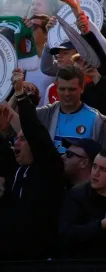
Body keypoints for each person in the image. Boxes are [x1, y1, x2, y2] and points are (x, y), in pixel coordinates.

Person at [0, 72, 67, 260]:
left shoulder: (48, 168)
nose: (17, 143)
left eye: (22, 139)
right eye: (16, 139)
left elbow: (36, 133)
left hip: (38, 257)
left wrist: (20, 93)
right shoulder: (13, 169)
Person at [33, 66, 106, 150]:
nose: (67, 93)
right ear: (56, 88)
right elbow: (23, 122)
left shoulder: (97, 120)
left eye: (72, 89)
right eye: (62, 89)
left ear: (82, 88)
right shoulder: (44, 114)